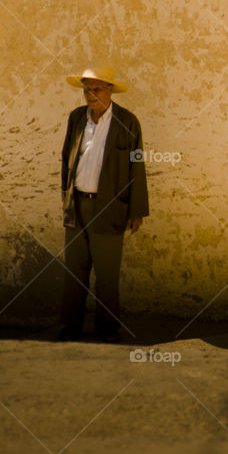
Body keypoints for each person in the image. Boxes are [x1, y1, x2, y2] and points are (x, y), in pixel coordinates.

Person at [57, 64, 148, 343]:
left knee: (107, 276)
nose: (90, 94)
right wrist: (66, 198)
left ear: (110, 90)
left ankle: (108, 330)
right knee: (74, 273)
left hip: (110, 207)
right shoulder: (76, 119)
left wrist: (136, 210)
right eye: (86, 89)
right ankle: (69, 328)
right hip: (78, 206)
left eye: (96, 89)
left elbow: (137, 166)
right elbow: (65, 160)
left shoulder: (127, 122)